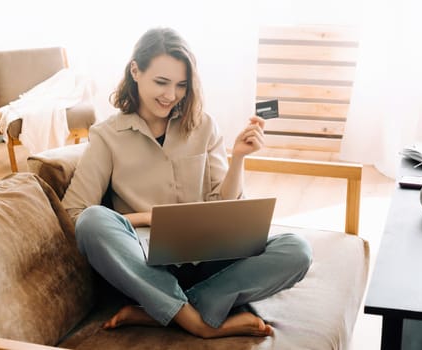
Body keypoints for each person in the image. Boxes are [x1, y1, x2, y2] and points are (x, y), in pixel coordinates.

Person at [62, 27, 312, 339]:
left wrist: (238, 159)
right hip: (147, 266)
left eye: (181, 85)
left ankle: (165, 312)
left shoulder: (204, 125)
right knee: (93, 222)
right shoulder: (107, 136)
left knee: (298, 250)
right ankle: (199, 322)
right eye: (161, 82)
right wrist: (149, 219)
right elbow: (73, 215)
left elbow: (224, 208)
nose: (171, 95)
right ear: (135, 71)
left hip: (210, 259)